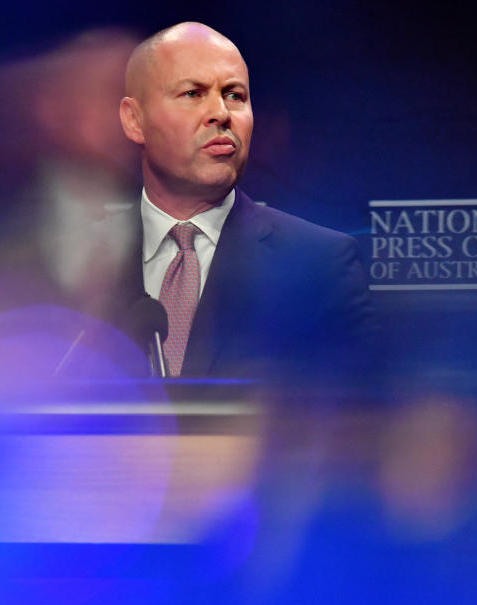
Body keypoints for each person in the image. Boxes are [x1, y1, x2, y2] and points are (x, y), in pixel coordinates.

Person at [118, 22, 374, 381]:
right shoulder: (76, 259)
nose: (221, 113)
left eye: (235, 95)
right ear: (134, 120)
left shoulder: (320, 266)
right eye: (193, 93)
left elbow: (351, 424)